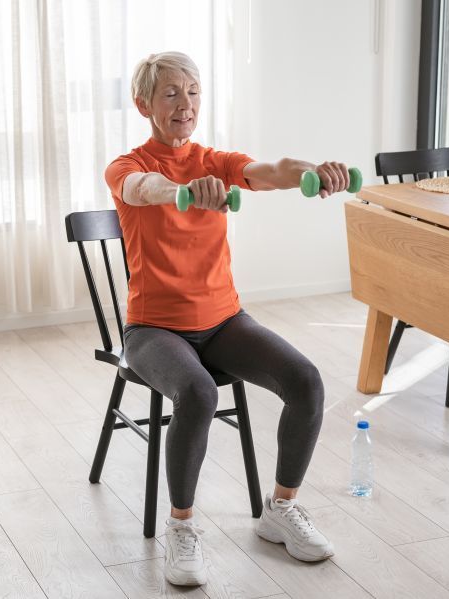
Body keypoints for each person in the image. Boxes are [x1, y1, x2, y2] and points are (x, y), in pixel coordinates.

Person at [105, 51, 347, 587]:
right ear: (144, 103)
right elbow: (142, 190)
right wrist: (186, 194)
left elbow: (273, 170)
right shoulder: (127, 166)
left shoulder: (215, 160)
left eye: (192, 91)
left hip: (222, 322)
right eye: (170, 93)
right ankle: (182, 527)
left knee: (305, 380)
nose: (184, 104)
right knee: (198, 392)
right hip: (153, 329)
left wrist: (315, 171)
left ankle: (280, 510)